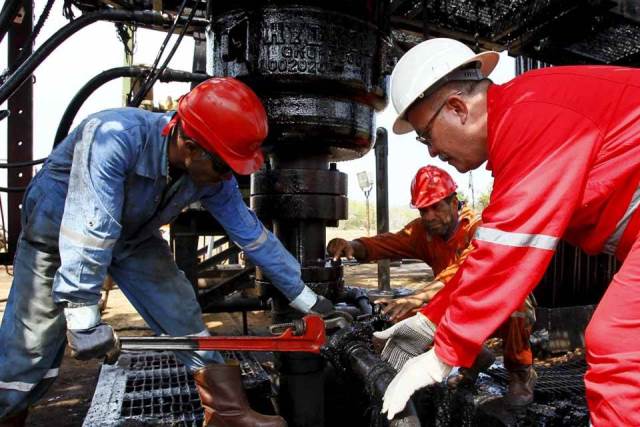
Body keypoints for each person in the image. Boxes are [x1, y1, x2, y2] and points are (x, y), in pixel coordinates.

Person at [0, 77, 334, 427]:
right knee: (31, 348)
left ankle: (226, 412)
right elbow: (92, 224)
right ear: (190, 146)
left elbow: (251, 235)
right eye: (224, 167)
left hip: (133, 236)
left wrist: (305, 296)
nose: (227, 178)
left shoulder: (210, 174)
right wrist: (82, 314)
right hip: (57, 236)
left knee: (181, 309)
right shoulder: (114, 136)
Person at [376, 38, 640, 426]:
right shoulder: (522, 115)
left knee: (619, 346)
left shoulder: (530, 115)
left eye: (425, 135)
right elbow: (492, 251)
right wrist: (429, 320)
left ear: (457, 108)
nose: (430, 151)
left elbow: (505, 255)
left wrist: (441, 355)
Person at [327, 165, 536, 405]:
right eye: (423, 210)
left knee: (516, 306)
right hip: (456, 304)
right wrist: (352, 246)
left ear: (454, 203)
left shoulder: (477, 229)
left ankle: (521, 374)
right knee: (402, 315)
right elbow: (387, 243)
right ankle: (473, 358)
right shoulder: (423, 232)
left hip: (494, 302)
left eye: (436, 207)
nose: (429, 216)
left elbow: (464, 272)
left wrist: (418, 297)